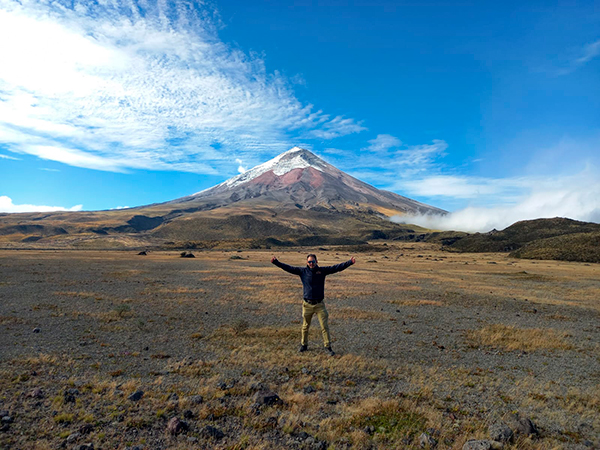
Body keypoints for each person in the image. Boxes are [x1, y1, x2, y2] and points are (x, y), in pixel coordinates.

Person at [271, 253, 356, 356]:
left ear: (317, 262)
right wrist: (276, 262)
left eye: (313, 261)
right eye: (309, 262)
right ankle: (304, 345)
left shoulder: (322, 271)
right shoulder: (302, 272)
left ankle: (328, 347)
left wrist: (349, 262)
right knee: (305, 326)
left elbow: (336, 268)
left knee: (324, 326)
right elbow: (288, 268)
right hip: (307, 305)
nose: (311, 263)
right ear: (307, 262)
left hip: (320, 305)